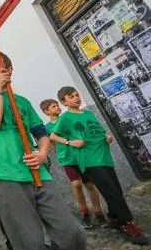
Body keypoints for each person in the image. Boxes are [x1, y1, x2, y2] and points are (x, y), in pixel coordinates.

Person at [0, 51, 86, 250]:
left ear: (9, 69)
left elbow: (41, 133)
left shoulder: (23, 102)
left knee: (73, 233)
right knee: (29, 242)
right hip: (2, 173)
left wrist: (41, 154)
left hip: (36, 171)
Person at [51, 87, 148, 245]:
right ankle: (127, 224)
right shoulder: (65, 118)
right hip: (89, 160)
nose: (76, 98)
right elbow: (53, 136)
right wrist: (71, 142)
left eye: (77, 95)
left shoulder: (88, 114)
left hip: (104, 157)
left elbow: (99, 131)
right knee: (111, 191)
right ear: (64, 101)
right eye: (71, 96)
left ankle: (113, 217)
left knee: (115, 189)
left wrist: (107, 136)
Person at [40, 98, 105, 229]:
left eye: (57, 105)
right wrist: (61, 151)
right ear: (46, 111)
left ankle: (99, 213)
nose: (57, 108)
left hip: (81, 157)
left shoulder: (67, 118)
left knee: (89, 185)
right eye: (53, 106)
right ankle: (85, 212)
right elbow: (51, 143)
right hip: (67, 159)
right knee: (76, 184)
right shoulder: (47, 128)